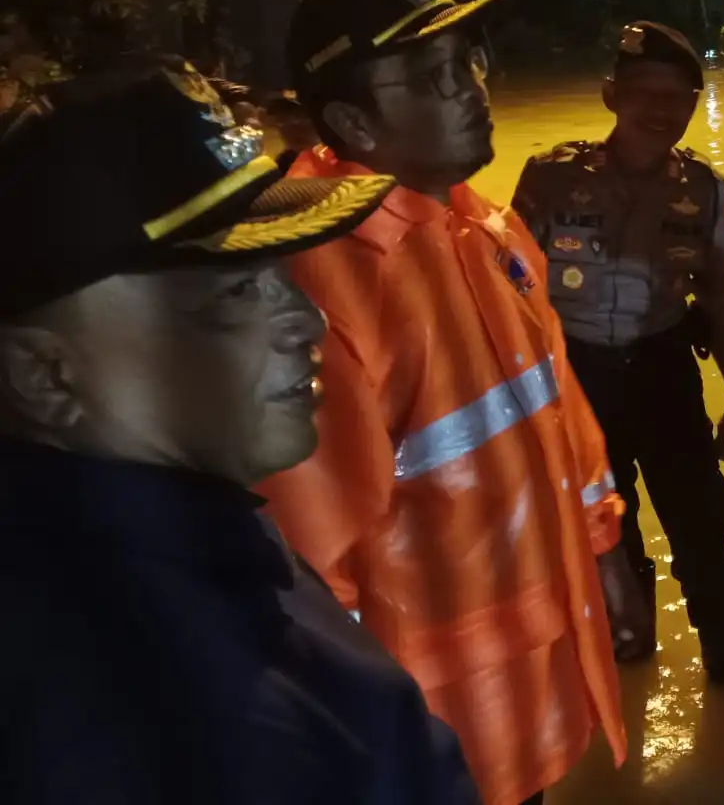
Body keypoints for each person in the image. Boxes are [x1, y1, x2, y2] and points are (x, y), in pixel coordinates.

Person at [0, 58, 480, 804]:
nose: (304, 320)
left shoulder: (203, 544)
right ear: (44, 377)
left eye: (282, 275)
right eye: (232, 292)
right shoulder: (128, 713)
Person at [258, 0, 646, 805]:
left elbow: (557, 410)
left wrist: (604, 546)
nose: (472, 89)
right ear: (353, 119)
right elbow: (315, 559)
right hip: (425, 729)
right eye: (432, 79)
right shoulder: (322, 280)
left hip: (531, 679)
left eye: (468, 61)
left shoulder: (481, 225)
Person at [513, 21, 724, 685]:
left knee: (702, 527)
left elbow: (719, 297)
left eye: (677, 97)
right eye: (645, 93)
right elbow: (510, 301)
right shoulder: (549, 179)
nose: (661, 111)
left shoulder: (703, 189)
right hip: (577, 379)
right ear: (610, 95)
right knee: (604, 536)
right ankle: (630, 659)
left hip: (664, 372)